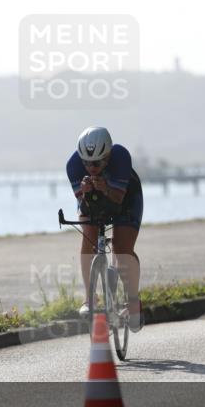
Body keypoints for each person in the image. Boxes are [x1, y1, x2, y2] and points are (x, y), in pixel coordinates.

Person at [65, 126, 144, 332]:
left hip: (126, 200)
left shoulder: (120, 156)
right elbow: (84, 206)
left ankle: (133, 302)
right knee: (88, 237)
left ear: (108, 156)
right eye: (86, 163)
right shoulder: (73, 165)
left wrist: (106, 188)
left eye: (97, 162)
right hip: (94, 201)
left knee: (121, 251)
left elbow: (117, 200)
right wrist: (86, 193)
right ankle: (89, 298)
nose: (91, 167)